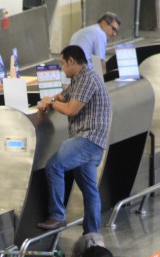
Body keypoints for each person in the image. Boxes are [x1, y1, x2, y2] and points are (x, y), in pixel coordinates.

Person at [36, 45, 111, 234]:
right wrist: (49, 100)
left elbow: (70, 109)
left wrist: (51, 103)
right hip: (93, 143)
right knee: (89, 191)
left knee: (54, 165)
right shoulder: (79, 79)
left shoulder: (87, 78)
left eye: (62, 64)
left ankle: (57, 216)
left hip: (88, 139)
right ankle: (92, 235)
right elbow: (63, 97)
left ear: (71, 61)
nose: (62, 68)